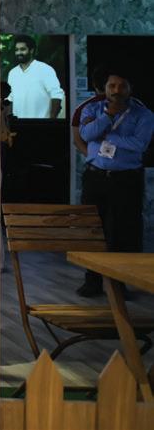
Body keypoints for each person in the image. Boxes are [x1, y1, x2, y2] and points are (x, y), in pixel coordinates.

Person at [76, 65, 154, 297]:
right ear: (105, 88)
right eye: (112, 85)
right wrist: (108, 116)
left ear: (130, 88)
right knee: (93, 229)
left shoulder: (144, 115)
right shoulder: (92, 108)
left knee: (124, 231)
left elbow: (139, 145)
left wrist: (107, 135)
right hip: (96, 177)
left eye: (122, 86)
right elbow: (86, 135)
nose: (116, 90)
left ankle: (120, 284)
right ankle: (92, 281)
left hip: (126, 179)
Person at [6, 34, 64, 118]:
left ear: (31, 50)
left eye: (22, 49)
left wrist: (51, 120)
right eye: (16, 50)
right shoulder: (13, 73)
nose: (19, 53)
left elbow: (56, 95)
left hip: (40, 123)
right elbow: (10, 98)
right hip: (17, 123)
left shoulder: (45, 69)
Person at [72, 66, 107, 154]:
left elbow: (77, 141)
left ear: (94, 84)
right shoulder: (133, 105)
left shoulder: (81, 108)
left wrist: (93, 158)